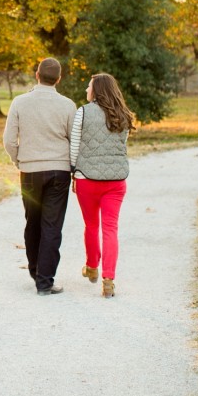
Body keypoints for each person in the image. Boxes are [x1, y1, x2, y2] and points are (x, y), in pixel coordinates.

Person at [3, 57, 77, 296]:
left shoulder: (20, 102)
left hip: (30, 171)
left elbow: (9, 140)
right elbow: (73, 140)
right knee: (52, 225)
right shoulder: (67, 105)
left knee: (32, 222)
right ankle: (44, 280)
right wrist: (73, 168)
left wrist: (19, 160)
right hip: (59, 171)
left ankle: (36, 271)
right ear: (59, 78)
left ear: (37, 75)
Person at [70, 73, 136, 299]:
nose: (86, 90)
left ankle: (91, 266)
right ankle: (109, 278)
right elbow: (121, 144)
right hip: (116, 181)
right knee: (110, 228)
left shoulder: (83, 112)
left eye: (88, 86)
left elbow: (74, 146)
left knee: (90, 225)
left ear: (96, 90)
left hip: (87, 179)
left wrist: (73, 171)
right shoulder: (124, 115)